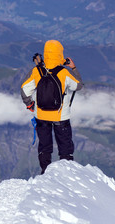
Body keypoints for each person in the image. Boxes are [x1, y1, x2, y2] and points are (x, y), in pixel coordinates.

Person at [20, 40, 83, 174]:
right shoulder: (64, 73)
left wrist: (30, 105)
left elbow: (25, 90)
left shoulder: (37, 71)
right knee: (65, 146)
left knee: (44, 146)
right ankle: (66, 173)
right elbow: (78, 86)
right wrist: (73, 68)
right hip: (61, 116)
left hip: (41, 116)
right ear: (60, 54)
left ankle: (45, 172)